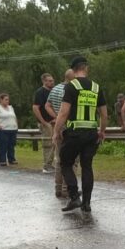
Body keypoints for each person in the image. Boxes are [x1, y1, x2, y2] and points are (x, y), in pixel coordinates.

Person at [53, 57, 108, 213]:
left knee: (65, 163)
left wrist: (56, 132)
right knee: (87, 166)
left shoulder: (71, 86)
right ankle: (87, 204)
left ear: (74, 70)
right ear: (86, 68)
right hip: (91, 133)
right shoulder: (96, 88)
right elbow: (104, 115)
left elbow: (63, 113)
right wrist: (102, 131)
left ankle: (74, 197)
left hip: (75, 133)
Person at [46, 69, 76, 197]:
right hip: (69, 127)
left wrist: (56, 116)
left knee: (59, 159)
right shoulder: (72, 89)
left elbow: (47, 105)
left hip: (57, 128)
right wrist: (62, 117)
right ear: (72, 78)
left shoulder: (55, 89)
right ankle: (67, 188)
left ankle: (58, 188)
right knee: (72, 161)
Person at [33, 73, 56, 174]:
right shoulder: (40, 92)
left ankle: (50, 164)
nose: (52, 82)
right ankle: (46, 166)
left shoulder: (53, 91)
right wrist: (43, 122)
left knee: (55, 143)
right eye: (49, 81)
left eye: (52, 80)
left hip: (54, 121)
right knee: (48, 144)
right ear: (44, 81)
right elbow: (35, 108)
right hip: (46, 122)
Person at [0, 93, 18, 166]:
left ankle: (11, 159)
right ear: (1, 100)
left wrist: (16, 126)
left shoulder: (11, 107)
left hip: (12, 129)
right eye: (6, 99)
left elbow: (14, 117)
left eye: (8, 99)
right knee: (3, 145)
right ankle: (2, 160)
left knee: (11, 145)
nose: (7, 101)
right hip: (3, 130)